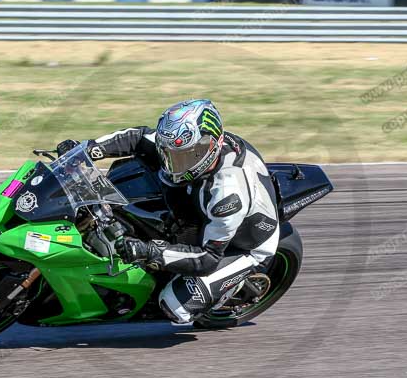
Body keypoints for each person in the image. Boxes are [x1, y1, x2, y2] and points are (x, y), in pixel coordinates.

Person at [57, 99, 280, 324]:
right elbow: (137, 137)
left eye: (184, 156)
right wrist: (84, 150)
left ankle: (230, 285)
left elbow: (208, 258)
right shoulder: (184, 142)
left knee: (176, 306)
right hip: (198, 203)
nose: (174, 163)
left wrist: (151, 251)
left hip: (240, 245)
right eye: (169, 154)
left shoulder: (226, 196)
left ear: (211, 146)